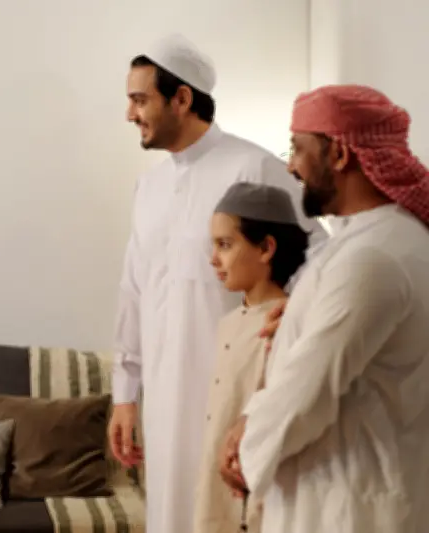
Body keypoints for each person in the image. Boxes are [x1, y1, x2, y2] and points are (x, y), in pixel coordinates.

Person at [106, 33, 326, 533]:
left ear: (181, 98)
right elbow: (133, 291)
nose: (130, 114)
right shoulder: (149, 186)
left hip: (236, 391)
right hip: (163, 396)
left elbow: (320, 253)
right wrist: (125, 393)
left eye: (140, 99)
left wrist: (294, 313)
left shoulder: (255, 167)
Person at [220, 84, 429, 533]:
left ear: (338, 154)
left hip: (348, 505)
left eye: (298, 148)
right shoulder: (374, 240)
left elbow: (308, 393)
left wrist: (245, 443)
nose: (290, 165)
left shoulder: (373, 257)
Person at [193, 182, 310, 533]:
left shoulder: (287, 322)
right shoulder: (228, 324)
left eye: (225, 245)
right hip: (216, 488)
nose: (213, 259)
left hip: (258, 498)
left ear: (266, 248)